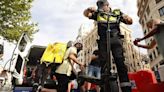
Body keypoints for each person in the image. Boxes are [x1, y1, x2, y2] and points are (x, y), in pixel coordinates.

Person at [83, 0, 133, 92]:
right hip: (103, 40)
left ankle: (126, 88)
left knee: (120, 63)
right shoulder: (98, 14)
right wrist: (88, 9)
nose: (101, 9)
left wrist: (127, 18)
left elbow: (130, 22)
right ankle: (105, 88)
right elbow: (86, 14)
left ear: (107, 5)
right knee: (104, 64)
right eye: (100, 8)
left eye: (102, 7)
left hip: (116, 39)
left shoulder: (117, 13)